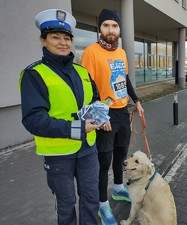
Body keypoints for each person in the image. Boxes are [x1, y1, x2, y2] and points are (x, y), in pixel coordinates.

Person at [19, 9, 102, 225]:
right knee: (66, 206)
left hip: (88, 149)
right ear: (43, 40)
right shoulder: (34, 74)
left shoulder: (82, 71)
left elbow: (94, 98)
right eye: (55, 37)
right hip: (59, 155)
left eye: (67, 38)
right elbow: (33, 120)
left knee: (91, 200)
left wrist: (100, 113)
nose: (63, 43)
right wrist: (78, 128)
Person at [81, 8, 144, 225]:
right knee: (104, 160)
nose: (111, 29)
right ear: (99, 28)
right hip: (104, 114)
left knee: (120, 154)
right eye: (106, 25)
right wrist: (100, 116)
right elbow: (87, 87)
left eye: (114, 26)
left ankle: (118, 188)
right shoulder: (91, 52)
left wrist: (136, 100)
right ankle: (102, 205)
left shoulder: (122, 53)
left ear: (119, 29)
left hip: (122, 111)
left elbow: (124, 79)